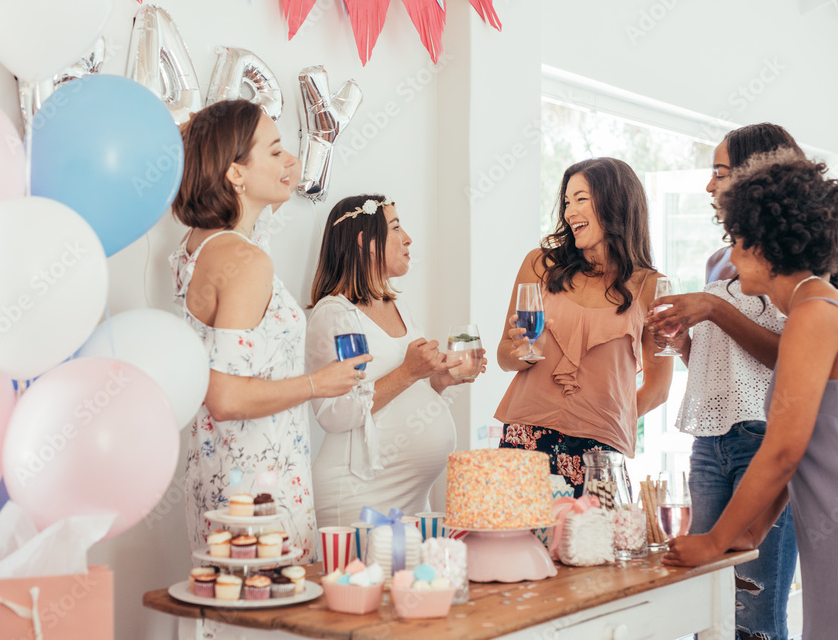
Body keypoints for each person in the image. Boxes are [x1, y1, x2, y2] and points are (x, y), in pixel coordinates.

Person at [663, 151, 838, 640]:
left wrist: (715, 541)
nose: (730, 257)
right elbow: (797, 447)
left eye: (737, 241)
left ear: (767, 245)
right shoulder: (810, 309)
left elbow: (781, 451)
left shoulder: (815, 313)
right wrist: (751, 531)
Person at [170, 100, 369, 563]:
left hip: (219, 473)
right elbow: (225, 397)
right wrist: (320, 383)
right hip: (257, 487)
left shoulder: (196, 246)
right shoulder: (244, 259)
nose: (293, 161)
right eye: (276, 151)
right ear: (235, 173)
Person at [646, 124, 802, 640]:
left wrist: (712, 307)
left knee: (754, 612)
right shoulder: (723, 260)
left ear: (757, 175)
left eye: (718, 174)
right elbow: (723, 365)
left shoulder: (794, 261)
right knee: (709, 607)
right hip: (710, 445)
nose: (708, 188)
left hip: (762, 438)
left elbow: (791, 357)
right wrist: (684, 337)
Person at [495, 157, 673, 491]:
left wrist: (607, 420)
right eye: (566, 202)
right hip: (526, 435)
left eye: (580, 199)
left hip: (600, 451)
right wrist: (522, 353)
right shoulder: (540, 265)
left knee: (591, 542)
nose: (569, 212)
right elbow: (505, 355)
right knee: (520, 543)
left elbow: (659, 388)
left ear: (615, 203)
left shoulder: (651, 287)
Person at [306, 195, 484, 526]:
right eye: (396, 228)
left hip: (413, 499)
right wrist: (408, 372)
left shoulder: (399, 307)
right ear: (367, 242)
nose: (408, 239)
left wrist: (437, 382)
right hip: (359, 496)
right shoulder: (334, 315)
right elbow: (334, 412)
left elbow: (401, 393)